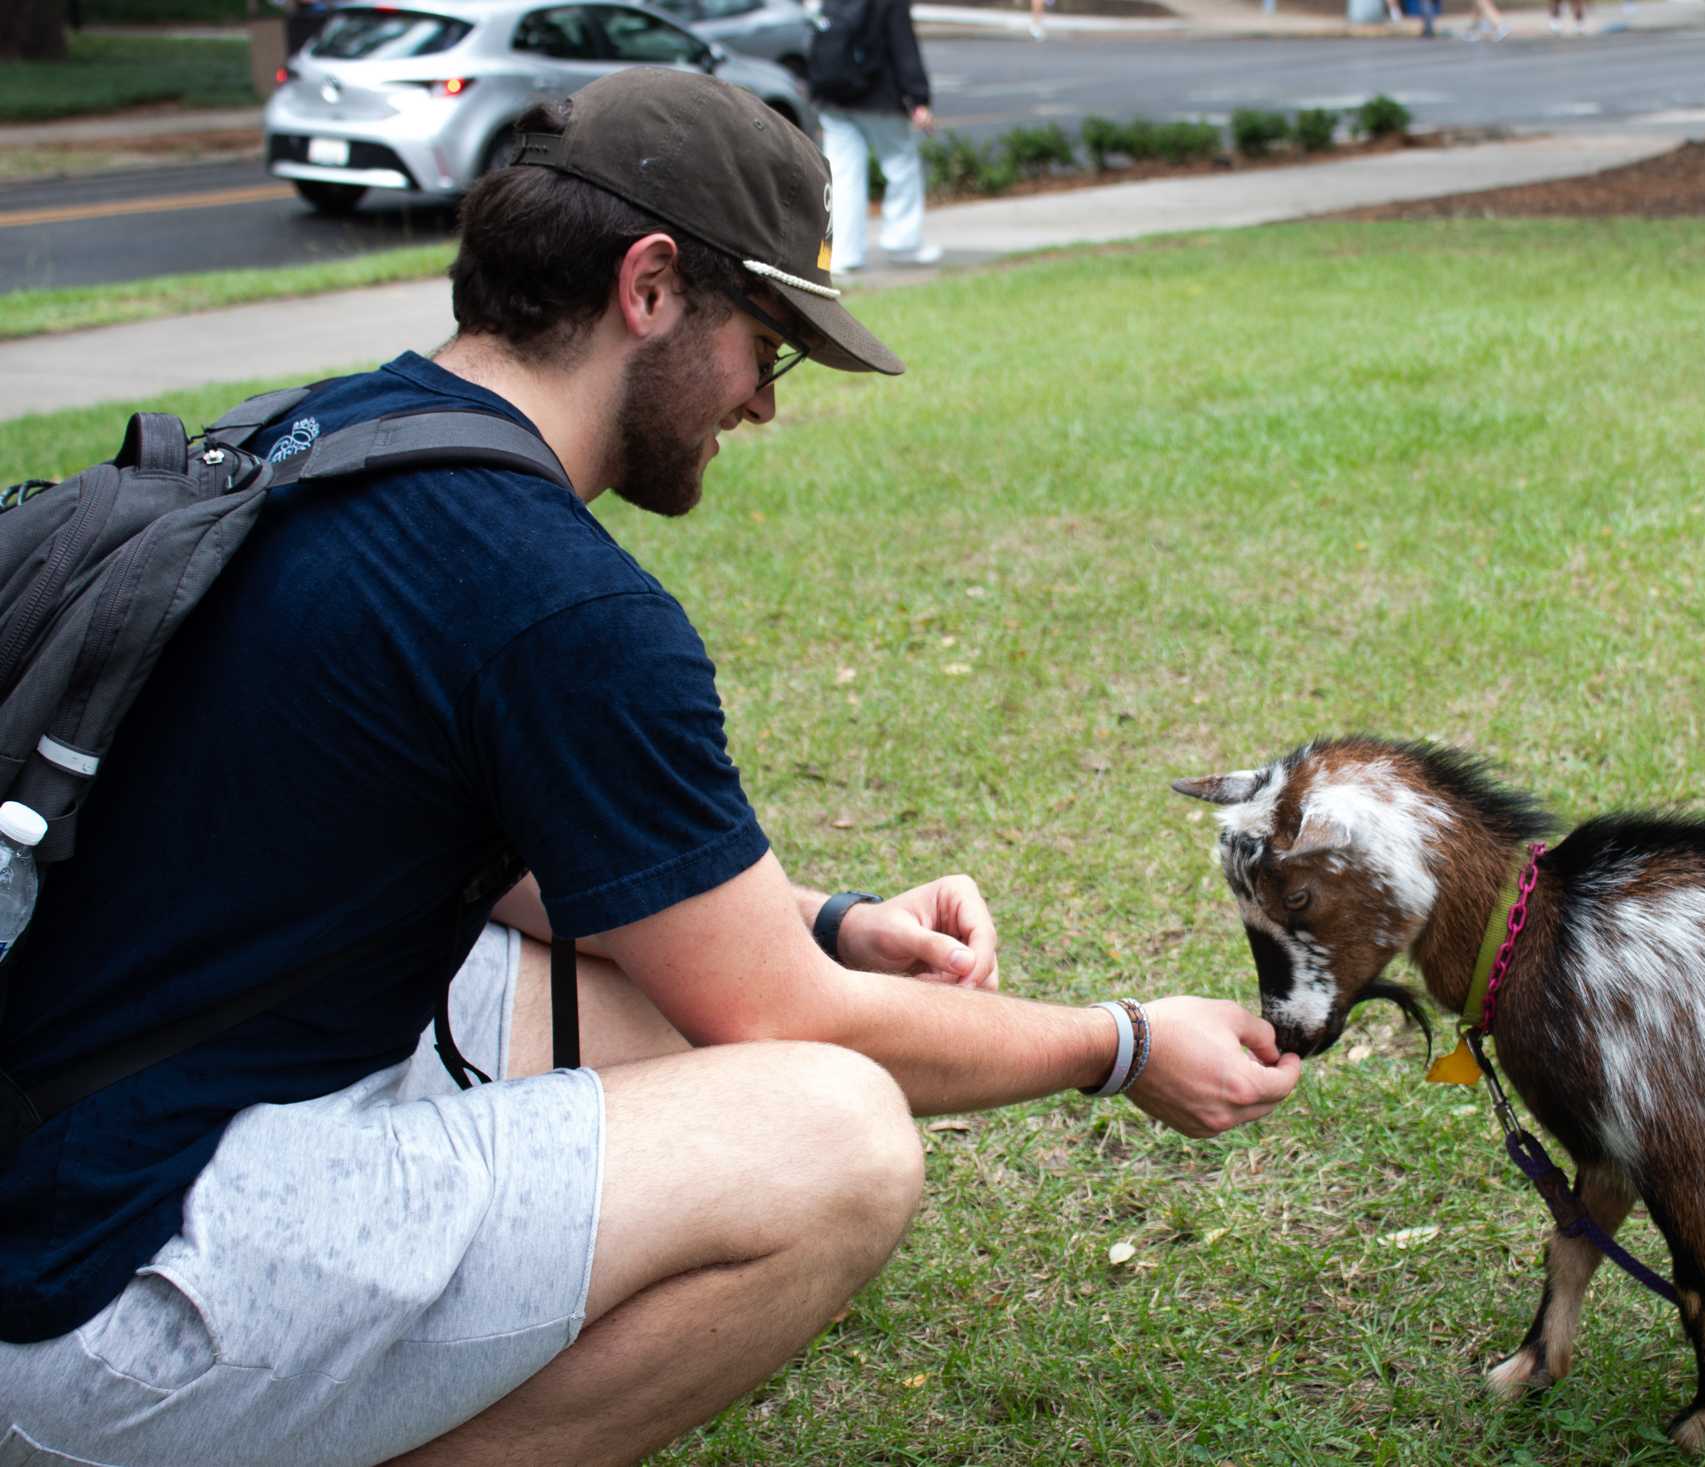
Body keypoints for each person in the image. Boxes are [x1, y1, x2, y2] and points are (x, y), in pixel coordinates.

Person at [0, 67, 1300, 1467]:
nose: (762, 405)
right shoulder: (556, 600)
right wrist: (1123, 1045)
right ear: (652, 285)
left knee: (664, 998)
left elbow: (488, 865)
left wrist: (828, 921)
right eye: (767, 344)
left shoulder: (320, 435)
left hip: (66, 1150)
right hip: (100, 1302)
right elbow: (800, 1022)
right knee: (837, 1131)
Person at [817, 0, 940, 269]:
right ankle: (902, 241)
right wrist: (918, 99)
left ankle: (842, 255)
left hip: (834, 96)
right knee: (901, 167)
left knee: (842, 176)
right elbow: (903, 47)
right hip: (880, 98)